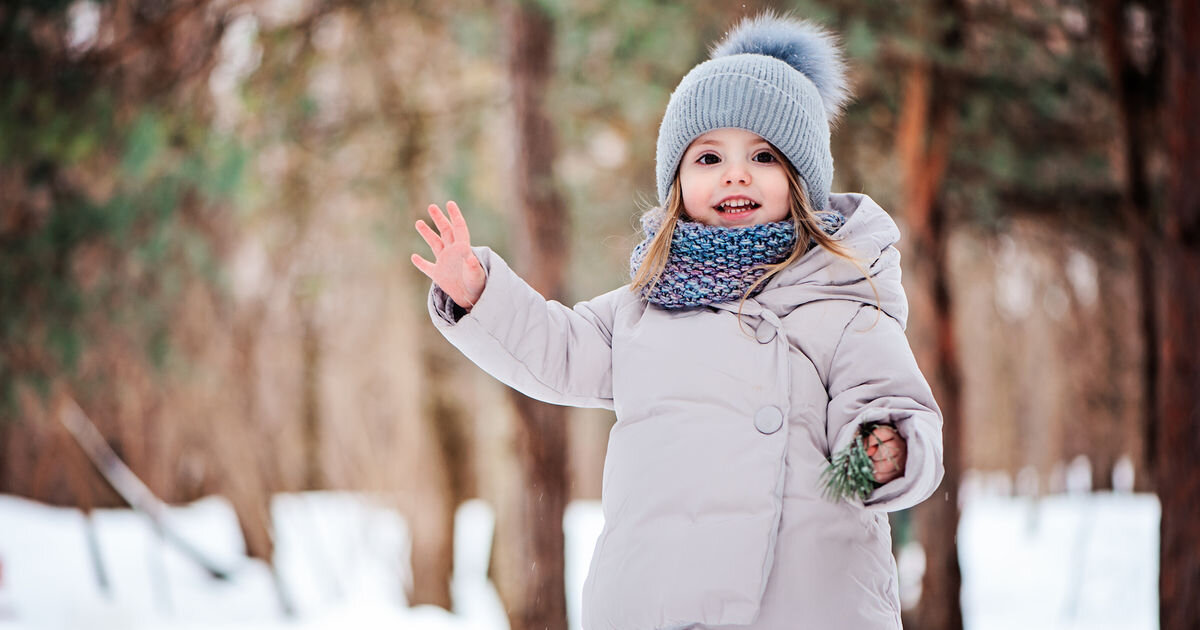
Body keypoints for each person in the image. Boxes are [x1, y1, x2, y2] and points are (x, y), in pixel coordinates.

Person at [411, 12, 943, 630]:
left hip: (805, 603)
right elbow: (558, 349)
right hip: (659, 601)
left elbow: (893, 402)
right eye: (709, 156)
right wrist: (481, 293)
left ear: (802, 181)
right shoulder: (645, 305)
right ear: (678, 183)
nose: (735, 173)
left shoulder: (842, 303)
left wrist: (888, 446)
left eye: (764, 156)